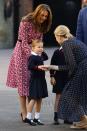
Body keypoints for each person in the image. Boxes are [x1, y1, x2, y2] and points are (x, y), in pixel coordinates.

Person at [6, 4, 52, 122]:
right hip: (21, 53)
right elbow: (23, 41)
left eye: (46, 16)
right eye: (42, 15)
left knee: (31, 84)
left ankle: (29, 114)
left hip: (34, 54)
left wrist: (40, 56)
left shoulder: (42, 25)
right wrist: (33, 56)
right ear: (37, 13)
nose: (43, 18)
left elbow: (39, 41)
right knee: (23, 85)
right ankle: (24, 113)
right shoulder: (25, 22)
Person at [48, 25, 87, 129]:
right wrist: (52, 67)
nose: (56, 40)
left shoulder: (66, 44)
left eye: (56, 37)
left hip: (83, 70)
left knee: (69, 95)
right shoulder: (74, 40)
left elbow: (71, 66)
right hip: (83, 68)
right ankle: (83, 120)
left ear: (59, 36)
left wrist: (52, 67)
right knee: (78, 95)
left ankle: (84, 120)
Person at [26, 39, 48, 126]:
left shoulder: (39, 56)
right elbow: (30, 66)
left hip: (41, 80)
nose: (41, 48)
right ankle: (28, 117)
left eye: (42, 47)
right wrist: (38, 67)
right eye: (39, 47)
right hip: (35, 80)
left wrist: (42, 51)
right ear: (32, 48)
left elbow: (46, 57)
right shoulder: (32, 57)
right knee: (34, 98)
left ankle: (36, 118)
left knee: (40, 99)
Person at [50, 46, 68, 124]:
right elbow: (52, 64)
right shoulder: (57, 52)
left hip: (69, 77)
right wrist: (52, 76)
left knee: (68, 97)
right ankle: (56, 116)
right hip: (59, 77)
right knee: (59, 96)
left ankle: (67, 117)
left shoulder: (72, 51)